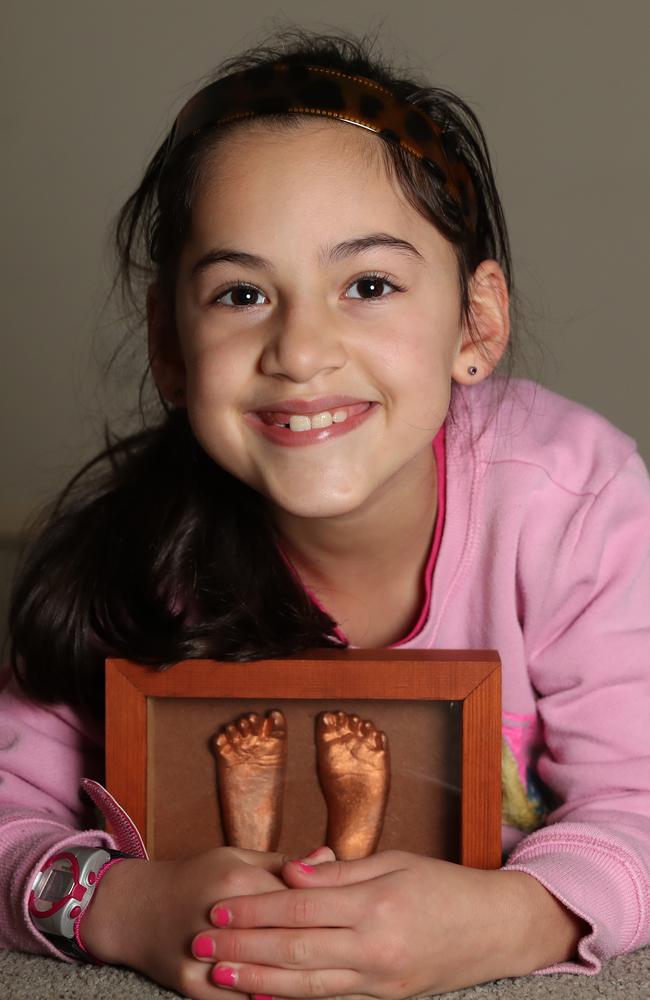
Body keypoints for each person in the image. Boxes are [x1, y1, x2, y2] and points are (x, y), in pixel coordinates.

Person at [2, 29, 649, 1000]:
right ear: (170, 349)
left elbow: (640, 794)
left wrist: (516, 914)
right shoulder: (128, 548)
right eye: (242, 293)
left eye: (369, 285)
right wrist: (120, 903)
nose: (300, 348)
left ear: (475, 323)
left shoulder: (572, 500)